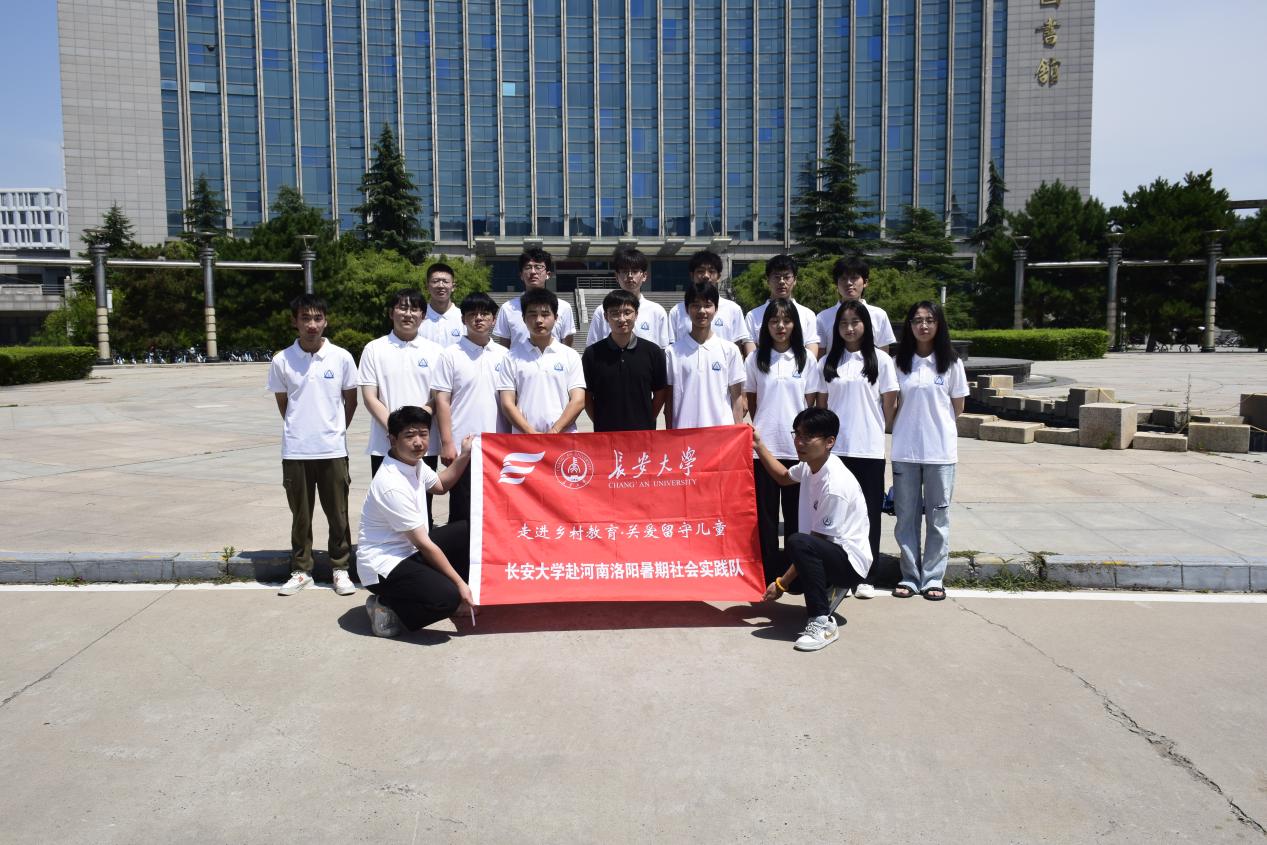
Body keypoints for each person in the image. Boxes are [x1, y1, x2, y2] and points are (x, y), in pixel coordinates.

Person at [753, 407, 872, 652]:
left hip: (849, 564)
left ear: (830, 442)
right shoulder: (810, 465)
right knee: (771, 562)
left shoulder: (835, 484)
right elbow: (783, 477)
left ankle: (822, 623)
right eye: (797, 434)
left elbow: (817, 541)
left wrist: (782, 584)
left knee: (799, 542)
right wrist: (758, 445)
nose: (799, 442)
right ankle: (827, 589)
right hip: (828, 554)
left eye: (808, 437)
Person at [266, 294, 359, 597]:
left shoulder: (341, 357)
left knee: (338, 515)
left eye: (317, 318)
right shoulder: (282, 360)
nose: (312, 325)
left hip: (333, 450)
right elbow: (284, 404)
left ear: (325, 321)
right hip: (296, 450)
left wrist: (333, 430)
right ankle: (301, 570)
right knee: (300, 516)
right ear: (294, 321)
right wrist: (301, 430)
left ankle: (340, 568)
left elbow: (351, 401)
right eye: (305, 318)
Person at [357, 406, 476, 638]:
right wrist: (460, 584)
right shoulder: (391, 484)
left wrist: (464, 455)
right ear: (392, 439)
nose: (418, 442)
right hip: (384, 564)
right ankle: (386, 605)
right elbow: (424, 544)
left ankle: (448, 590)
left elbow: (440, 486)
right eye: (409, 436)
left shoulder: (415, 464)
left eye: (423, 434)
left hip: (409, 550)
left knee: (467, 531)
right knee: (447, 598)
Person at [816, 300, 899, 598]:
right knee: (836, 513)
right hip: (837, 450)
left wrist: (877, 428)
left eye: (855, 322)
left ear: (866, 325)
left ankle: (866, 575)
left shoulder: (881, 360)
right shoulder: (828, 363)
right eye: (843, 323)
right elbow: (822, 405)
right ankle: (839, 574)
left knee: (869, 513)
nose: (849, 328)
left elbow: (890, 402)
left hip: (869, 448)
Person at [890, 300, 968, 601]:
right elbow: (892, 404)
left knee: (938, 518)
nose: (923, 325)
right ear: (909, 326)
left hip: (940, 452)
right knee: (906, 517)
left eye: (929, 320)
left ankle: (933, 578)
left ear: (939, 324)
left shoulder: (951, 362)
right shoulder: (899, 363)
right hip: (905, 450)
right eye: (917, 320)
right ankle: (910, 576)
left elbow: (957, 407)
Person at [744, 298, 820, 585]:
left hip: (796, 449)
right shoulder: (755, 359)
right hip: (764, 449)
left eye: (786, 321)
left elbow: (809, 401)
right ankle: (764, 572)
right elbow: (752, 400)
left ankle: (793, 573)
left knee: (795, 515)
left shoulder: (806, 358)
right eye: (774, 321)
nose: (780, 326)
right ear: (766, 325)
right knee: (764, 516)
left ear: (794, 325)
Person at [433, 292, 510, 523]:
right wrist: (447, 442)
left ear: (494, 319)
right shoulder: (450, 355)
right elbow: (442, 401)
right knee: (463, 509)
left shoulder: (505, 356)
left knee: (497, 509)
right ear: (463, 319)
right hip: (463, 445)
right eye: (472, 314)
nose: (478, 318)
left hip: (498, 445)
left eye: (484, 314)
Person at [358, 289, 445, 484]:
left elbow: (439, 396)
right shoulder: (374, 349)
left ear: (423, 316)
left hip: (424, 445)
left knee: (422, 500)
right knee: (386, 498)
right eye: (402, 308)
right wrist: (396, 429)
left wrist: (415, 428)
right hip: (385, 444)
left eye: (414, 309)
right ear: (391, 313)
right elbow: (370, 397)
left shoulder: (436, 351)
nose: (408, 314)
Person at [497, 288, 587, 434]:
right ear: (523, 318)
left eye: (545, 315)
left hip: (563, 437)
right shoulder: (511, 357)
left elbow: (578, 400)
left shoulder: (570, 355)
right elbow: (507, 403)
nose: (539, 320)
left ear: (556, 317)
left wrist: (555, 430)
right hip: (525, 439)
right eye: (532, 314)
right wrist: (531, 433)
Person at [581, 288, 669, 432]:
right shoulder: (592, 354)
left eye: (627, 312)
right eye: (615, 313)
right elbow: (586, 395)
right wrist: (600, 420)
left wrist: (648, 418)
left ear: (636, 314)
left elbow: (660, 392)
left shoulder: (653, 352)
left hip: (642, 434)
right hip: (606, 435)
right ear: (605, 316)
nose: (622, 319)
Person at [665, 281, 745, 429]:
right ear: (687, 309)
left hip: (721, 434)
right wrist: (670, 434)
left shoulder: (730, 350)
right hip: (685, 434)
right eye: (695, 305)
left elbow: (736, 398)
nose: (702, 311)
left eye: (707, 305)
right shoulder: (672, 352)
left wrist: (738, 432)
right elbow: (669, 401)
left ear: (716, 309)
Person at [668, 250, 754, 356]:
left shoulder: (733, 309)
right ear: (692, 275)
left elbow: (737, 347)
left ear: (718, 277)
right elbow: (673, 347)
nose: (706, 276)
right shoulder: (676, 311)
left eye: (711, 271)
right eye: (700, 271)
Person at [586, 247, 671, 347]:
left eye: (635, 271)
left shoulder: (657, 311)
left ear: (644, 276)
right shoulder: (602, 311)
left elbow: (663, 349)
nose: (630, 276)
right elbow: (592, 347)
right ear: (616, 276)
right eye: (625, 271)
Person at [494, 248, 576, 349]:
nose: (533, 272)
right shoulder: (507, 308)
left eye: (538, 267)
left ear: (548, 274)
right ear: (521, 275)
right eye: (528, 267)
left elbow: (567, 346)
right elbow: (504, 348)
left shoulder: (564, 307)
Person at [744, 254, 821, 358]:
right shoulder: (753, 316)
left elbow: (811, 354)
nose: (781, 281)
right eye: (776, 277)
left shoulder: (808, 314)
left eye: (787, 277)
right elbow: (751, 356)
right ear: (768, 280)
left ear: (795, 280)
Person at [815, 256, 898, 353]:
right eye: (843, 278)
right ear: (836, 284)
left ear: (865, 282)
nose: (849, 283)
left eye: (854, 278)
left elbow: (884, 352)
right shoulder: (823, 317)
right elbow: (820, 355)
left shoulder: (879, 315)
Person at [418, 262, 465, 347]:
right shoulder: (418, 317)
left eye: (445, 281)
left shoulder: (464, 318)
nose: (440, 286)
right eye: (435, 281)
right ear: (427, 286)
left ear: (453, 287)